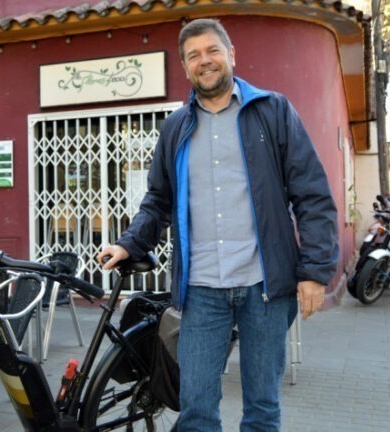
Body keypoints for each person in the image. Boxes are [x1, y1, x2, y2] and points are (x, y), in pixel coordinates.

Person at [97, 18, 339, 431]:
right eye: (193, 56)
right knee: (196, 407)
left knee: (262, 406)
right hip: (201, 289)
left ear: (231, 55)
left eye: (212, 50)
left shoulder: (272, 111)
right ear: (185, 67)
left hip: (265, 286)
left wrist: (314, 271)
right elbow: (158, 199)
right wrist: (129, 244)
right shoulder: (176, 127)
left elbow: (311, 193)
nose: (204, 61)